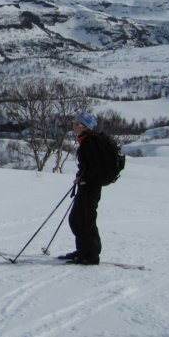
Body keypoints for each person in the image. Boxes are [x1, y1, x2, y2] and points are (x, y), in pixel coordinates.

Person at [58, 112, 103, 265]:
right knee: (80, 219)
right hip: (88, 186)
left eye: (77, 123)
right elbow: (89, 166)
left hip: (90, 187)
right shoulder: (87, 141)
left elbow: (95, 167)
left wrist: (82, 178)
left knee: (82, 220)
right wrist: (81, 177)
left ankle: (90, 255)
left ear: (84, 127)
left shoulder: (89, 143)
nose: (74, 125)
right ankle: (84, 251)